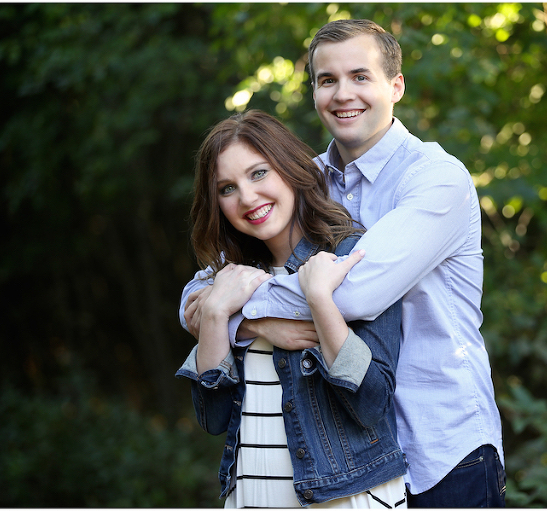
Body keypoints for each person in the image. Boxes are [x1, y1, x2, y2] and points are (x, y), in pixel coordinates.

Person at [181, 20, 506, 507]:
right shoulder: (302, 181)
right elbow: (197, 295)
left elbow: (352, 293)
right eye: (326, 80)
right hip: (353, 458)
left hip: (442, 446)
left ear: (395, 86)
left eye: (360, 76)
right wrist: (239, 319)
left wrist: (249, 316)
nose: (342, 93)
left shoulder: (437, 179)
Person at [175, 110, 408, 508]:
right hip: (251, 496)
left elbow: (371, 403)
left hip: (347, 496)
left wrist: (319, 301)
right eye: (227, 188)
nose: (247, 197)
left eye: (259, 173)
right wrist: (222, 317)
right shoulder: (227, 280)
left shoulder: (351, 256)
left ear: (290, 168)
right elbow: (212, 418)